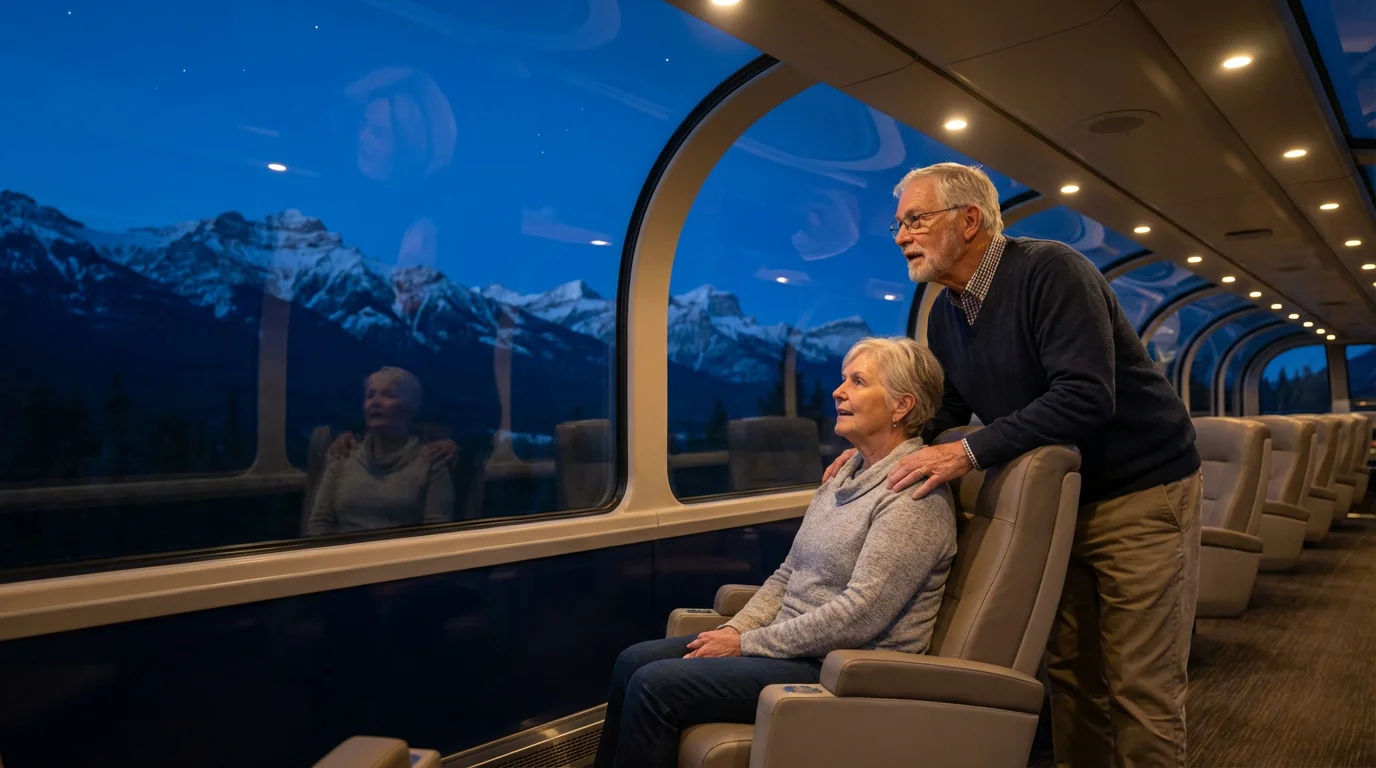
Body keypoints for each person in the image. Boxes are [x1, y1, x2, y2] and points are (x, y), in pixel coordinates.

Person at [824, 163, 1202, 767]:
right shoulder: (949, 310)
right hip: (1060, 504)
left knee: (1141, 685)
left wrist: (967, 451)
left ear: (968, 221)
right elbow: (947, 405)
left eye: (915, 220)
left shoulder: (1050, 271)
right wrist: (880, 442)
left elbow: (1085, 394)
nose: (900, 236)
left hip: (1138, 490)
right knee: (1072, 675)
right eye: (899, 224)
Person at [593, 337, 958, 768]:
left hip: (846, 667)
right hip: (797, 648)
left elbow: (861, 615)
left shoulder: (912, 497)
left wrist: (747, 643)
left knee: (655, 684)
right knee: (632, 660)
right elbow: (788, 573)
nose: (838, 391)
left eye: (857, 382)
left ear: (901, 406)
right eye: (843, 380)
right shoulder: (844, 475)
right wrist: (735, 630)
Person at [307, 366, 454, 535]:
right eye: (370, 395)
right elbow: (319, 523)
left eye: (388, 395)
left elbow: (435, 529)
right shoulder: (343, 454)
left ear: (410, 408)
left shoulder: (431, 461)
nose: (375, 402)